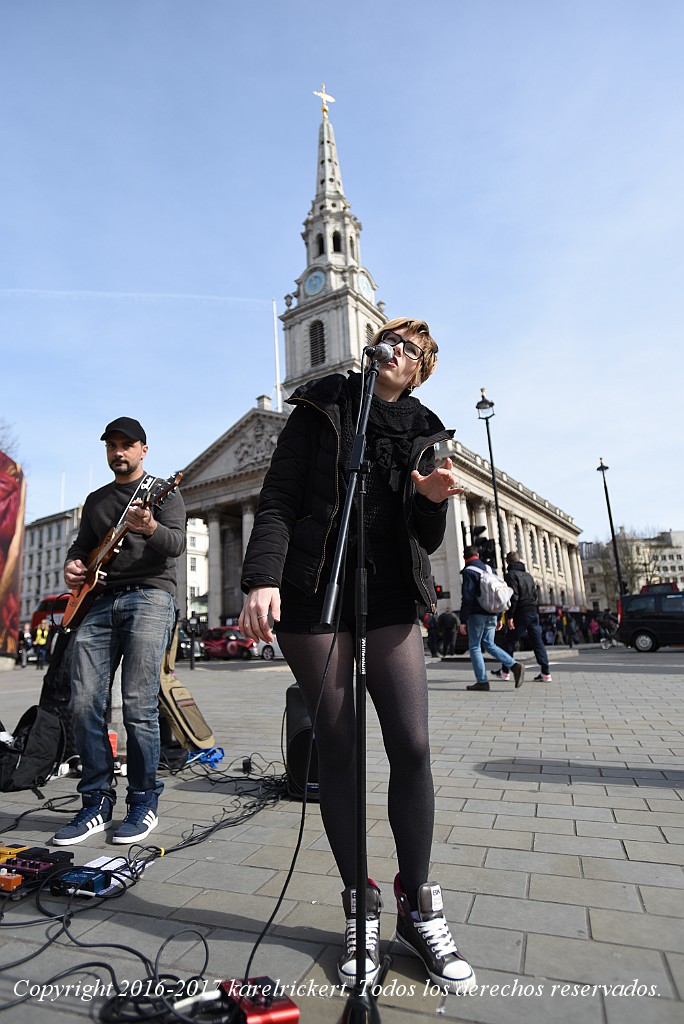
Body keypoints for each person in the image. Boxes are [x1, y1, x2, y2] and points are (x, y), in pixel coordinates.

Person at [239, 319, 476, 994]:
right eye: (387, 338)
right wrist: (262, 577)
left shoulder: (428, 426)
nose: (392, 349)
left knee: (413, 743)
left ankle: (418, 904)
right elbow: (278, 497)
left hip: (392, 594)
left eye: (408, 347)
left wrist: (432, 502)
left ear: (420, 368)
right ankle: (358, 904)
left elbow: (424, 530)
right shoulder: (324, 404)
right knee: (338, 746)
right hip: (315, 590)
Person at [52, 417, 185, 847]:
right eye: (112, 446)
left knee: (137, 703)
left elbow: (176, 545)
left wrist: (151, 529)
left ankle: (143, 801)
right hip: (98, 599)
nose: (119, 452)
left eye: (127, 445)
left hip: (150, 596)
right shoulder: (96, 501)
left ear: (144, 449)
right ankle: (95, 802)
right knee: (84, 701)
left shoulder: (163, 491)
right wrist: (74, 565)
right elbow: (81, 546)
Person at [459, 546, 525, 692]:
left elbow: (468, 597)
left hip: (477, 614)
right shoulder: (490, 569)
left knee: (475, 646)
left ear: (465, 558)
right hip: (493, 613)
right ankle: (514, 665)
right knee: (489, 644)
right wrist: (499, 615)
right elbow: (498, 593)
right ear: (477, 555)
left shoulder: (469, 571)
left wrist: (463, 620)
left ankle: (482, 681)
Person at [492, 551, 552, 682]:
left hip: (520, 611)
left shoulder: (510, 575)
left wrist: (510, 616)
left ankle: (505, 671)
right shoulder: (528, 576)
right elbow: (535, 595)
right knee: (537, 641)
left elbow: (513, 596)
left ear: (508, 562)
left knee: (510, 641)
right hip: (533, 610)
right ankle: (546, 672)